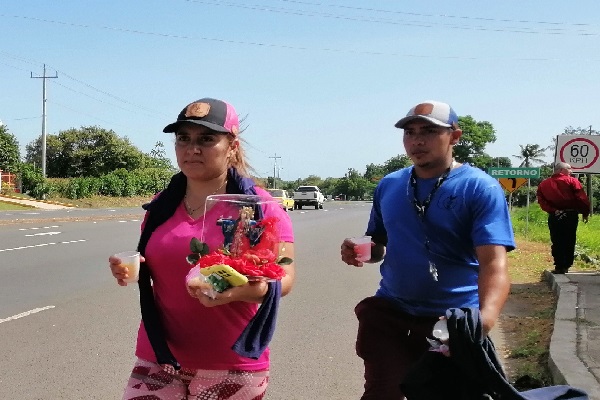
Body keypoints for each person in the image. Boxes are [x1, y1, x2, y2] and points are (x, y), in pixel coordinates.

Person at [109, 97, 295, 399]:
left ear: (231, 145)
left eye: (206, 139)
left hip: (232, 364)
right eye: (183, 139)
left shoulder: (260, 208)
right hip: (159, 356)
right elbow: (161, 261)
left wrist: (234, 293)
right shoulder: (161, 205)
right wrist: (132, 267)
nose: (192, 149)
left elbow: (284, 279)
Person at [340, 100, 516, 400]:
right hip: (391, 314)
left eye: (429, 131)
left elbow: (493, 263)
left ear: (455, 137)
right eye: (410, 132)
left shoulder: (479, 188)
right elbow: (380, 244)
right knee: (383, 393)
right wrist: (361, 251)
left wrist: (484, 319)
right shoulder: (390, 185)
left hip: (449, 322)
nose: (417, 140)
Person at [536, 162, 590, 274]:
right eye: (569, 169)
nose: (571, 171)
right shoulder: (572, 181)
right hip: (570, 215)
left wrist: (554, 210)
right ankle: (566, 265)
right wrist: (585, 212)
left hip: (554, 216)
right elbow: (581, 198)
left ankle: (559, 265)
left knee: (556, 240)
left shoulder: (543, 184)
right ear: (561, 170)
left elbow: (541, 201)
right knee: (569, 239)